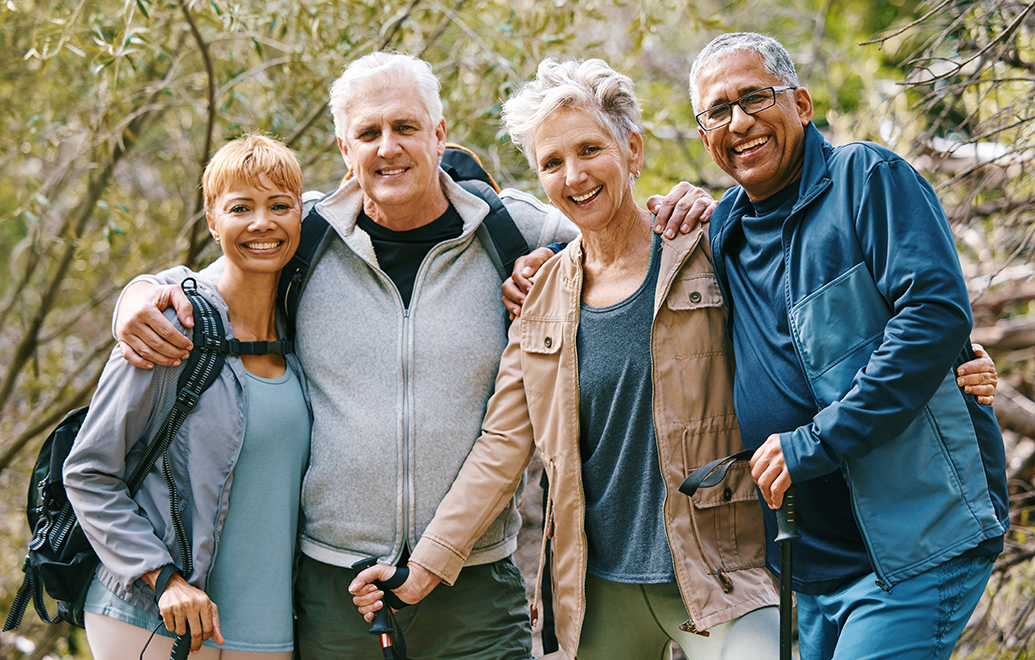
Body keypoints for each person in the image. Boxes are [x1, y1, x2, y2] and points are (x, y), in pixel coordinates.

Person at [110, 52, 714, 660]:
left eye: (405, 128)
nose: (388, 147)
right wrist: (136, 294)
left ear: (439, 134)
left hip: (476, 587)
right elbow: (220, 271)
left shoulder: (513, 231)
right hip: (335, 583)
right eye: (369, 133)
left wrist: (690, 207)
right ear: (345, 149)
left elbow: (609, 218)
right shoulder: (307, 236)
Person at [351, 57, 782, 660]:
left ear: (632, 149)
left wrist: (958, 361)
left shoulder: (705, 250)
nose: (574, 175)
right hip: (598, 592)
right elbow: (501, 448)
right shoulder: (542, 296)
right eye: (552, 163)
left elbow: (803, 324)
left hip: (722, 578)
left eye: (590, 150)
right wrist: (422, 570)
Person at [688, 33, 1009, 659]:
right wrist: (529, 264)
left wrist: (819, 441)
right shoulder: (722, 229)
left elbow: (934, 314)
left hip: (914, 544)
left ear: (802, 105)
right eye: (718, 111)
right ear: (704, 136)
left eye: (755, 97)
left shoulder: (866, 179)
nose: (740, 122)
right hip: (803, 566)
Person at [64, 134, 311, 658]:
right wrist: (164, 578)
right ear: (212, 219)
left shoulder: (305, 328)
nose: (263, 222)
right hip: (156, 614)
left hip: (268, 627)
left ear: (300, 215)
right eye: (241, 207)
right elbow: (88, 472)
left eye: (280, 206)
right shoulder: (172, 326)